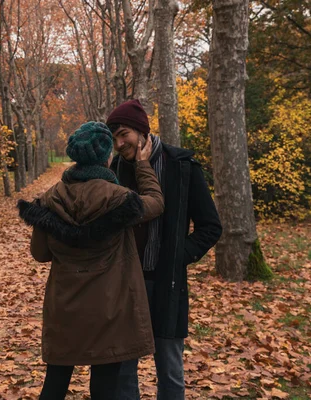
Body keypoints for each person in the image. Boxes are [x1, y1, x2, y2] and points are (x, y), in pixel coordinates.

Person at [17, 121, 164, 399]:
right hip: (110, 309)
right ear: (106, 156)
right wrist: (143, 165)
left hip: (65, 308)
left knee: (56, 381)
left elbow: (40, 254)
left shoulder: (50, 199)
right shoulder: (120, 198)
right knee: (105, 385)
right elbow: (156, 201)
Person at [106, 99, 223, 399]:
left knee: (170, 369)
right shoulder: (117, 169)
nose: (119, 143)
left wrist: (177, 256)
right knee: (123, 369)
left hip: (168, 283)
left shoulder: (182, 166)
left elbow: (210, 226)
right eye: (114, 137)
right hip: (127, 283)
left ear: (142, 131)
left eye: (123, 134)